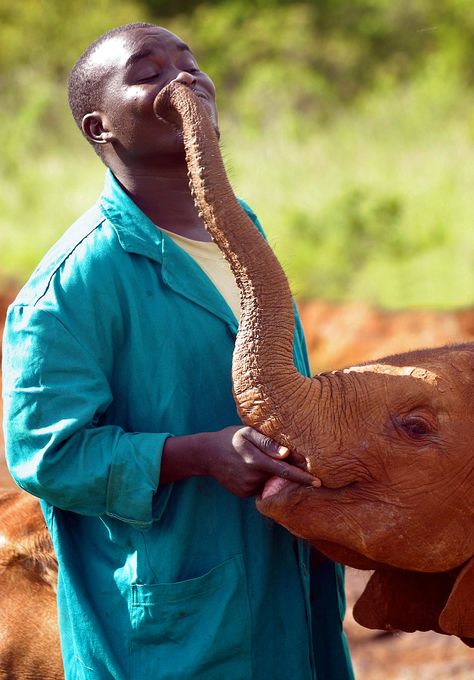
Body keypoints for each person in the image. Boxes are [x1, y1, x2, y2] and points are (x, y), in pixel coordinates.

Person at [2, 22, 354, 680]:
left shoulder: (238, 226)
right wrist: (200, 455)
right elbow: (45, 454)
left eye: (190, 63)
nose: (183, 79)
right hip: (170, 613)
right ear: (98, 128)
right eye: (148, 71)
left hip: (282, 576)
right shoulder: (73, 285)